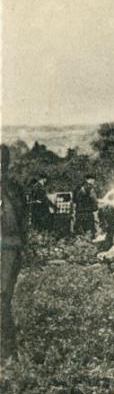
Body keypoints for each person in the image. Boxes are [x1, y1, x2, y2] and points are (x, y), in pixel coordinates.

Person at [1, 145, 28, 362]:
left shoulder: (13, 189)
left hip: (8, 249)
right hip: (10, 246)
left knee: (2, 299)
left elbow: (19, 222)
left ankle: (9, 351)